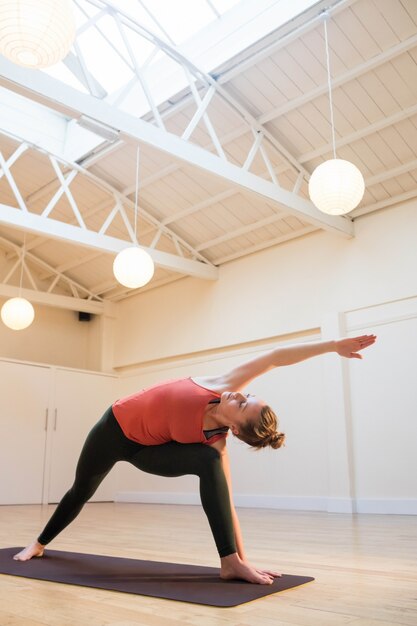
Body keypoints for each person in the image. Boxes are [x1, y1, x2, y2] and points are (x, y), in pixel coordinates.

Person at [14, 334, 376, 584]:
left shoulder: (216, 444)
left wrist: (242, 559)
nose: (239, 395)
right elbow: (278, 356)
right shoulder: (222, 383)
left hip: (145, 452)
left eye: (243, 405)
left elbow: (225, 503)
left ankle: (228, 563)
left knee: (209, 465)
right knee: (82, 489)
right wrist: (332, 346)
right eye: (247, 395)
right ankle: (40, 544)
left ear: (235, 429)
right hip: (112, 430)